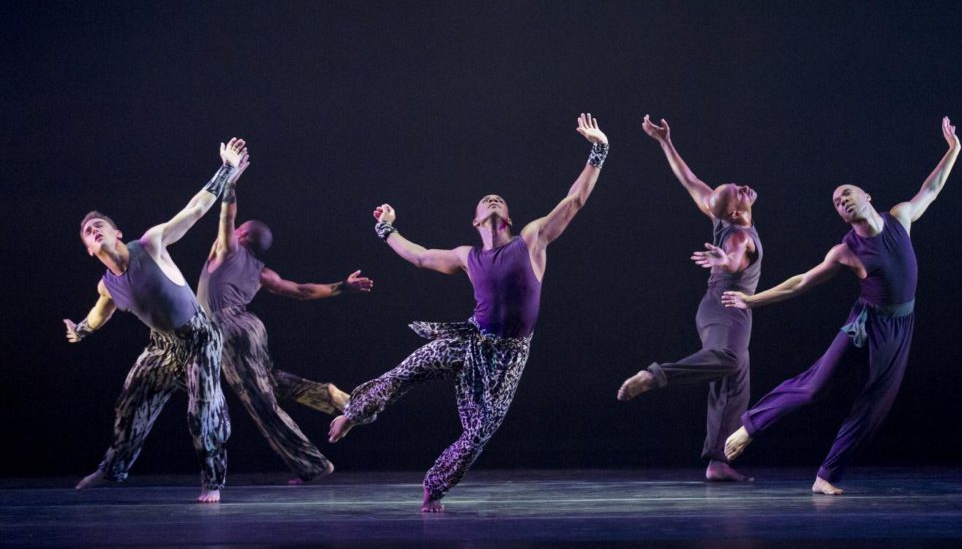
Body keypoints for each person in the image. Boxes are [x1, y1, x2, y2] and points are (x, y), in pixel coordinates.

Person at [328, 113, 610, 512]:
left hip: (508, 358)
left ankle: (433, 489)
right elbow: (422, 257)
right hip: (468, 339)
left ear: (508, 219)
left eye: (499, 201)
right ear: (476, 220)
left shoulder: (531, 240)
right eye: (485, 202)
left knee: (479, 431)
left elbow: (574, 200)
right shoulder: (468, 255)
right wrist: (387, 229)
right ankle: (353, 413)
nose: (493, 199)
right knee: (406, 371)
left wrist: (598, 150)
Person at [722, 117, 962, 494]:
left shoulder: (900, 217)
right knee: (815, 385)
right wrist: (753, 299)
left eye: (847, 194)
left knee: (875, 406)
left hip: (901, 328)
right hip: (864, 326)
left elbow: (930, 189)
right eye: (836, 202)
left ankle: (826, 477)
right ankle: (750, 425)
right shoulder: (846, 251)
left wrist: (954, 149)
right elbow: (799, 282)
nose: (842, 200)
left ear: (866, 195)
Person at [65, 138, 248, 503]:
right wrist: (82, 330)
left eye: (99, 225)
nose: (94, 231)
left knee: (202, 413)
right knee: (130, 403)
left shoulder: (151, 244)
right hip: (163, 345)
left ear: (116, 233)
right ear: (89, 249)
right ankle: (112, 468)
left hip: (199, 338)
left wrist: (226, 170)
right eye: (88, 232)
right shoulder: (107, 286)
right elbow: (100, 312)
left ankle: (213, 481)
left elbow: (195, 210)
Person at [196, 175, 373, 484]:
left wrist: (230, 180)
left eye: (238, 230)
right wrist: (344, 287)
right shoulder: (261, 271)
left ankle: (311, 464)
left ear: (242, 234)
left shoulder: (227, 250)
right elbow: (301, 290)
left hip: (226, 329)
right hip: (249, 329)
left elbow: (227, 214)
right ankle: (332, 397)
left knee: (261, 404)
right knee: (270, 385)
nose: (233, 231)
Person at [617, 115, 762, 482]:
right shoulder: (738, 236)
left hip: (716, 308)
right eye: (739, 191)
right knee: (729, 361)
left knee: (734, 380)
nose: (745, 187)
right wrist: (723, 261)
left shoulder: (722, 216)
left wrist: (666, 142)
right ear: (734, 211)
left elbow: (690, 181)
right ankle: (657, 375)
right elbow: (733, 255)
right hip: (728, 308)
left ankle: (718, 460)